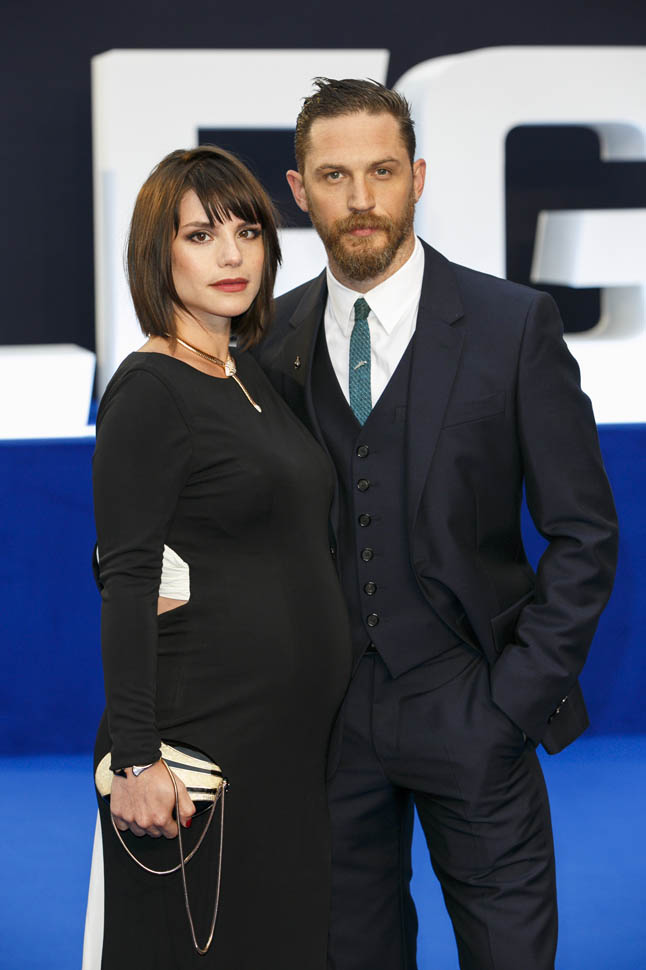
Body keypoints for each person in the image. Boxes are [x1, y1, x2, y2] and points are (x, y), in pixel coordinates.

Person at [255, 79, 619, 970]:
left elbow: (585, 533)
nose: (361, 198)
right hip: (329, 726)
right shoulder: (267, 340)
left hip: (473, 704)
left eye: (382, 171)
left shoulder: (513, 325)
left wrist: (513, 701)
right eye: (334, 176)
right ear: (299, 191)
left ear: (417, 177)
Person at [89, 145, 352, 970]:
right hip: (199, 749)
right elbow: (128, 578)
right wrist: (137, 759)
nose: (232, 255)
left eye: (248, 231)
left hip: (285, 750)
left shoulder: (250, 373)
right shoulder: (149, 389)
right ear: (157, 253)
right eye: (200, 235)